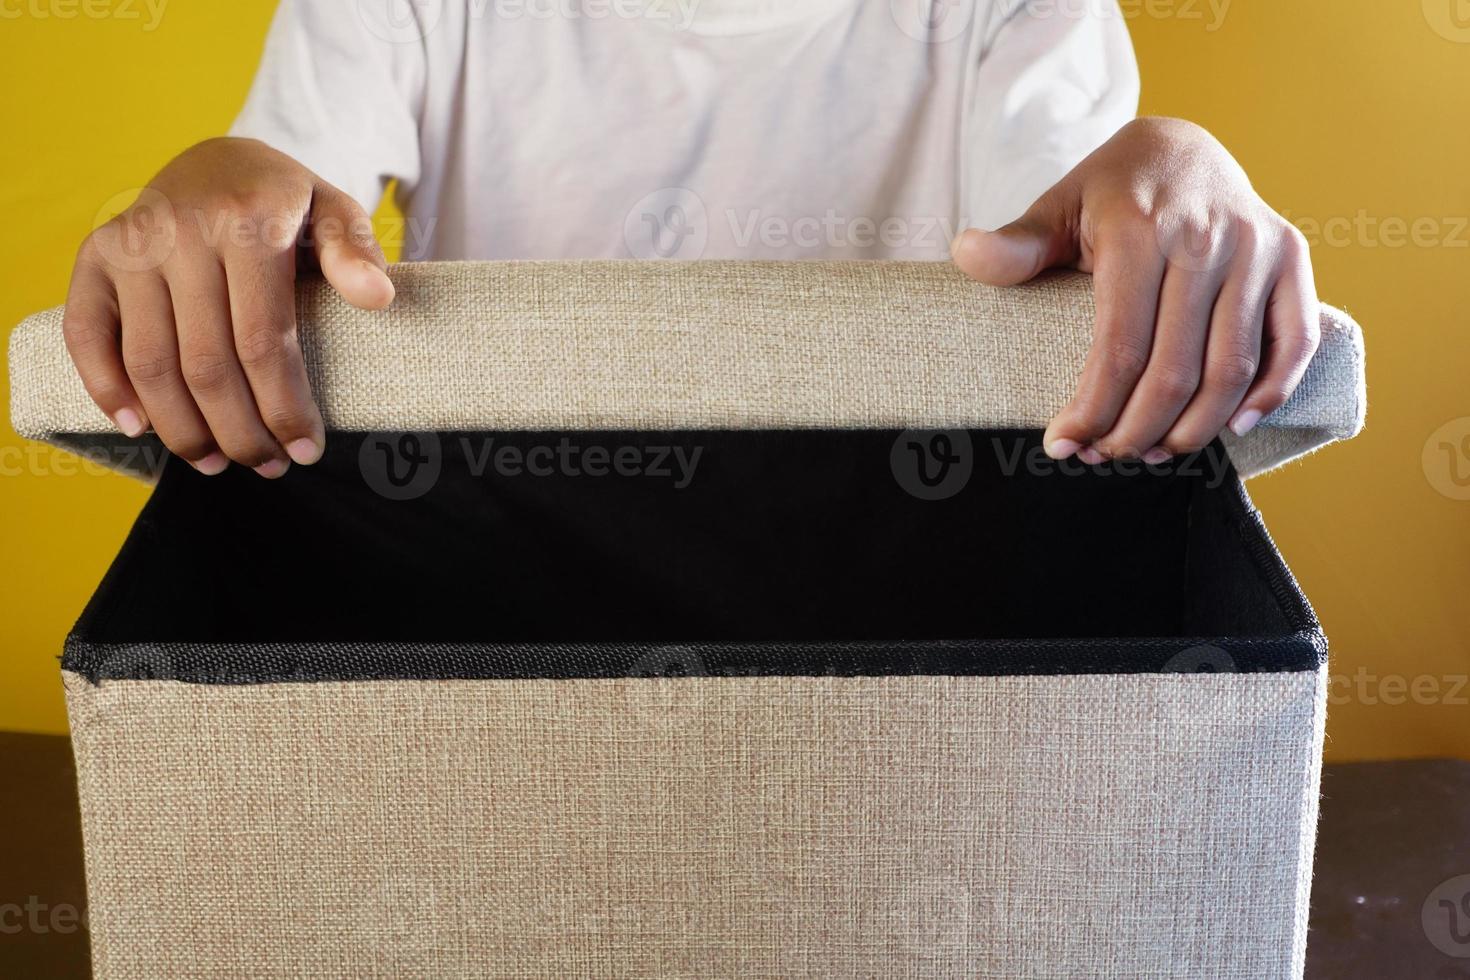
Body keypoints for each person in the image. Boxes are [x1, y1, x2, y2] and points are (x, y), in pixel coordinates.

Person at [62, 0, 1318, 478]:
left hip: (895, 590)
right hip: (490, 568)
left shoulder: (1016, 12)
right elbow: (280, 197)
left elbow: (1093, 223)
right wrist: (221, 178)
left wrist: (1175, 160)